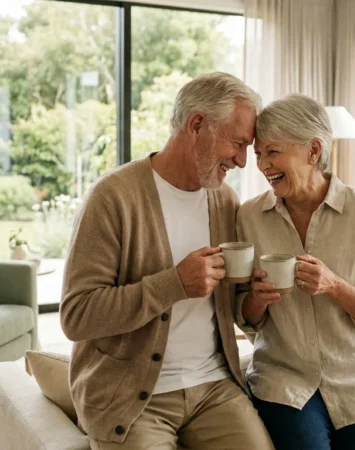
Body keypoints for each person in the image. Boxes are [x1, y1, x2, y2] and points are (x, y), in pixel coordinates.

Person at [60, 72, 273, 450]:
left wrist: (256, 299)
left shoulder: (224, 201)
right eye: (238, 144)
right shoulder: (113, 198)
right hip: (133, 396)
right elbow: (77, 316)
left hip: (214, 387)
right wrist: (173, 283)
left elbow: (237, 307)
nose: (243, 161)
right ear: (196, 125)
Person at [235, 94, 355, 450]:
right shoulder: (248, 217)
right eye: (258, 154)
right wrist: (256, 299)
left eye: (273, 152)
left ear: (313, 151)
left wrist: (334, 286)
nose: (263, 165)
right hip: (283, 380)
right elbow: (242, 315)